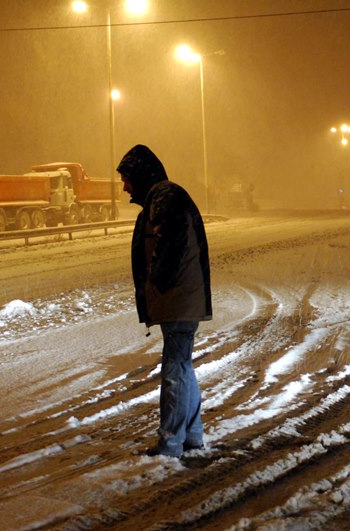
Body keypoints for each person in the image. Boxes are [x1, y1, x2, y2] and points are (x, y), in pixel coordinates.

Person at [117, 144, 213, 458]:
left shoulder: (164, 198)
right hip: (180, 298)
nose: (125, 186)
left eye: (127, 178)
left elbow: (169, 248)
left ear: (141, 175)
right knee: (182, 366)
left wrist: (156, 281)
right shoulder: (161, 197)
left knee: (174, 369)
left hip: (178, 299)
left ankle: (171, 443)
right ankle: (192, 436)